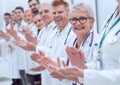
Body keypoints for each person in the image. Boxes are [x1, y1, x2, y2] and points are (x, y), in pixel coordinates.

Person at [42, 0, 120, 85]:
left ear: (92, 21)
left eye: (82, 19)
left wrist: (76, 73)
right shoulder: (71, 41)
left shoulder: (95, 42)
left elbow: (95, 73)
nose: (78, 23)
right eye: (74, 19)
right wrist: (61, 70)